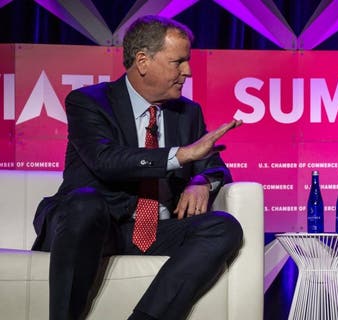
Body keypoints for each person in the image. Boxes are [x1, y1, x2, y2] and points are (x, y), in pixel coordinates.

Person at [31, 15, 243, 320]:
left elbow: (215, 167)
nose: (188, 71)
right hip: (92, 227)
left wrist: (200, 181)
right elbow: (106, 161)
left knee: (224, 226)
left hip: (151, 230)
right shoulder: (88, 102)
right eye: (178, 62)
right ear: (143, 61)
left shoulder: (188, 113)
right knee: (86, 203)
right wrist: (180, 156)